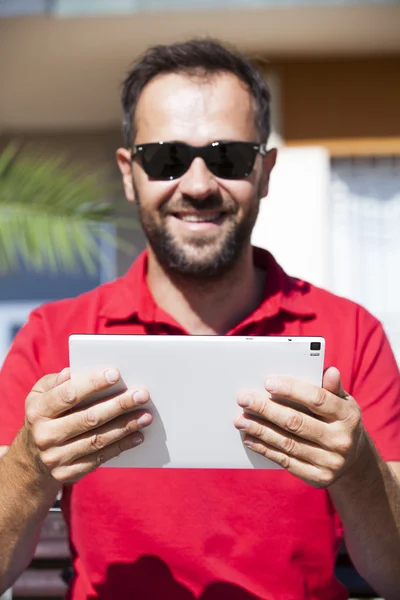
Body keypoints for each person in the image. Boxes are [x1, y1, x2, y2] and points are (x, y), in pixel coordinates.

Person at [0, 38, 399, 600]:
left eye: (228, 158)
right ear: (128, 172)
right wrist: (28, 466)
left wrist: (358, 469)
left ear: (264, 171)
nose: (198, 185)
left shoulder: (350, 333)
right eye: (166, 159)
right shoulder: (52, 335)